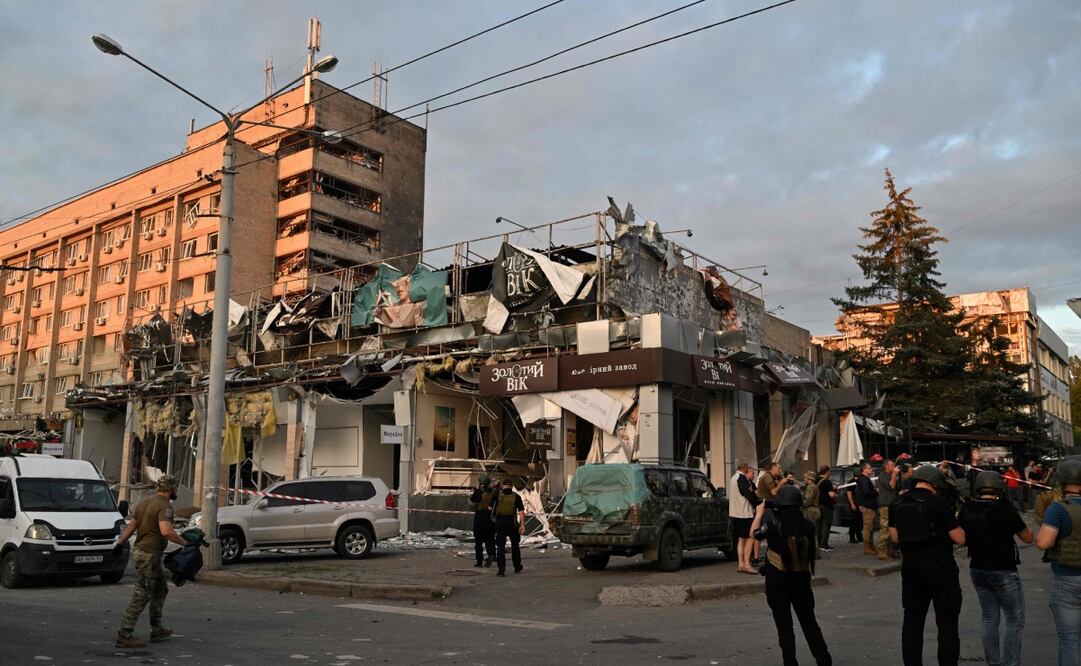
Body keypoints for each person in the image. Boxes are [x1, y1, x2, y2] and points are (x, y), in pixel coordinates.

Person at [889, 465, 967, 666]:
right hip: (941, 570)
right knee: (947, 624)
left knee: (912, 623)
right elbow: (959, 538)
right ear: (935, 484)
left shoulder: (896, 502)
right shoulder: (938, 503)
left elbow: (895, 537)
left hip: (911, 570)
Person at [750, 484, 832, 665]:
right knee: (809, 624)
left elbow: (754, 533)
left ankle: (790, 661)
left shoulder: (773, 526)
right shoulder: (808, 527)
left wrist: (759, 513)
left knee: (784, 626)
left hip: (777, 581)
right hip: (801, 580)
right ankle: (824, 660)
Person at [958, 470, 1033, 666]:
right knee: (1013, 619)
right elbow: (1027, 537)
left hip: (977, 568)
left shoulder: (967, 508)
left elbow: (962, 537)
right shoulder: (1004, 508)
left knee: (989, 617)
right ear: (999, 487)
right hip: (1002, 569)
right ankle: (1010, 663)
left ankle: (993, 661)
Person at [114, 475, 189, 648]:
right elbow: (167, 531)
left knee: (160, 589)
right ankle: (125, 634)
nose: (176, 491)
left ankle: (157, 629)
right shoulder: (165, 506)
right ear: (171, 489)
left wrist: (119, 544)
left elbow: (132, 526)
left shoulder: (145, 503)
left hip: (143, 553)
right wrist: (186, 544)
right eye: (176, 488)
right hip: (149, 554)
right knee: (141, 595)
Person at [1035, 459, 1081, 666]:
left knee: (1070, 639)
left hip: (1067, 579)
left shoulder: (1058, 509)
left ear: (1062, 483)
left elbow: (1044, 542)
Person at [489, 478, 525, 577]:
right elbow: (521, 511)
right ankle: (517, 566)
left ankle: (501, 571)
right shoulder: (516, 496)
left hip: (500, 523)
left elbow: (489, 508)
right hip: (512, 523)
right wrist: (522, 525)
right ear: (512, 486)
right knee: (515, 546)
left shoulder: (497, 495)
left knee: (500, 547)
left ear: (503, 486)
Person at [730, 462, 759, 574]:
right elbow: (749, 494)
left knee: (741, 539)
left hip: (736, 513)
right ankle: (747, 564)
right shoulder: (741, 479)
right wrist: (758, 504)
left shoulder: (733, 478)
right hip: (745, 513)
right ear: (745, 468)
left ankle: (741, 564)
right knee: (751, 537)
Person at [469, 475, 496, 568]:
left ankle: (479, 561)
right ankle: (491, 554)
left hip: (480, 517)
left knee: (478, 541)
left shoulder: (478, 492)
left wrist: (475, 491)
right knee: (490, 539)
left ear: (481, 483)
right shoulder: (493, 492)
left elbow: (472, 503)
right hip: (490, 518)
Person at [854, 462, 880, 556]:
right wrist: (876, 492)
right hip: (867, 506)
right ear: (864, 469)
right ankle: (867, 548)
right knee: (868, 528)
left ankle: (870, 546)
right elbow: (866, 492)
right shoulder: (864, 479)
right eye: (869, 468)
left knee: (870, 527)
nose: (871, 469)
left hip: (868, 506)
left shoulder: (864, 479)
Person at [877, 459, 900, 560]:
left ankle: (890, 551)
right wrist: (894, 475)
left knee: (892, 528)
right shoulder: (882, 475)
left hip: (892, 505)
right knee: (885, 528)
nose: (894, 467)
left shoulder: (891, 475)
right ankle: (881, 551)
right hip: (885, 505)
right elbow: (891, 486)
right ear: (886, 466)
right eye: (892, 465)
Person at [815, 466, 836, 552]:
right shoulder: (827, 482)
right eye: (829, 471)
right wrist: (835, 493)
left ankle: (818, 544)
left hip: (817, 506)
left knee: (818, 526)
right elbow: (831, 495)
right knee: (826, 526)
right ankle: (824, 545)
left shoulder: (815, 480)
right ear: (827, 472)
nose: (830, 473)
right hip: (826, 506)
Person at [802, 470, 821, 540]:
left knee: (810, 531)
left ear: (809, 479)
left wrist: (800, 503)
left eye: (805, 478)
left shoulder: (811, 487)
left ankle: (813, 549)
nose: (804, 479)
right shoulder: (813, 486)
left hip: (811, 511)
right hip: (813, 510)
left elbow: (808, 501)